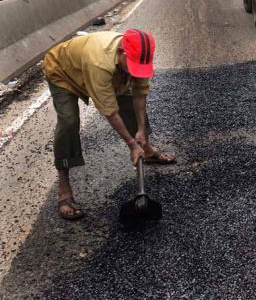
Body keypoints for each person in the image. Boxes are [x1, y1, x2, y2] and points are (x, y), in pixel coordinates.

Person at [43, 30, 175, 220]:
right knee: (68, 121)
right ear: (122, 52)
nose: (136, 71)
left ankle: (147, 150)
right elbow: (110, 111)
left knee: (130, 106)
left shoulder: (140, 54)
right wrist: (131, 144)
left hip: (108, 71)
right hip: (63, 72)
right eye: (133, 66)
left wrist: (139, 131)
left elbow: (139, 94)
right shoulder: (98, 63)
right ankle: (64, 190)